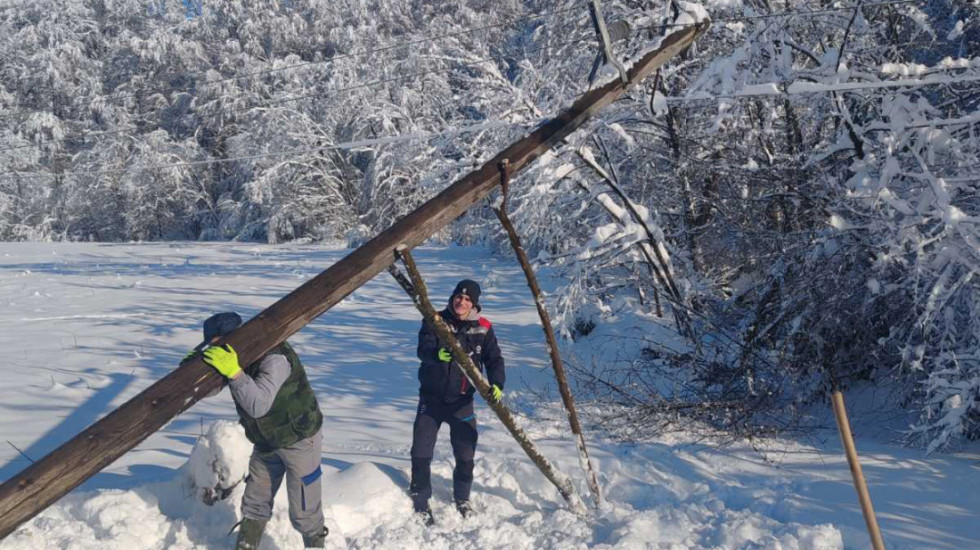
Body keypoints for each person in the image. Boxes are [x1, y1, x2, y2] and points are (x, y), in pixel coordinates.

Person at [193, 312, 328, 549]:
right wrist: (194, 368)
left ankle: (316, 544)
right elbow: (211, 389)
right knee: (255, 500)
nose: (218, 351)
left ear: (234, 339)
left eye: (218, 345)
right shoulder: (235, 356)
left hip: (299, 439)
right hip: (266, 440)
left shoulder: (275, 358)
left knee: (304, 509)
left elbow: (258, 405)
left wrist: (234, 373)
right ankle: (247, 544)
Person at [410, 279, 506, 525]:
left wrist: (497, 383)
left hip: (462, 402)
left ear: (474, 303)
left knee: (465, 454)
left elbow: (494, 359)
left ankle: (462, 498)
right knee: (421, 451)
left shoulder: (483, 327)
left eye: (467, 299)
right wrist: (435, 354)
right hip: (431, 400)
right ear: (453, 297)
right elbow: (422, 349)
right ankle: (420, 498)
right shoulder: (435, 320)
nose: (461, 302)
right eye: (458, 297)